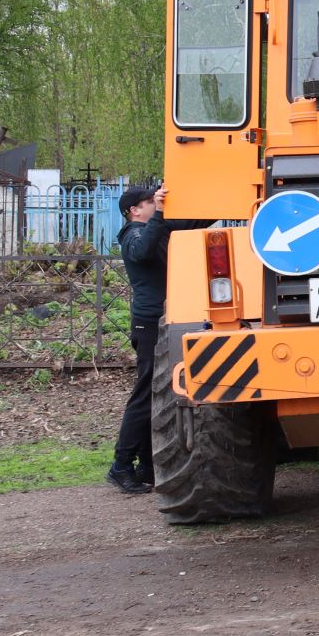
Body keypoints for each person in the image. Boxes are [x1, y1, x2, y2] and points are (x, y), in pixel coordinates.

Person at [108, 184, 211, 494]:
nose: (154, 204)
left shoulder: (155, 228)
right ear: (133, 211)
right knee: (145, 395)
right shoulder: (132, 235)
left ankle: (146, 465)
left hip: (163, 319)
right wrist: (162, 215)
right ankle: (121, 465)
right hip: (149, 323)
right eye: (148, 202)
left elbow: (191, 224)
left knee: (156, 394)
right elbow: (143, 250)